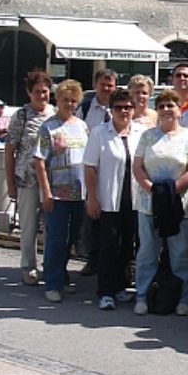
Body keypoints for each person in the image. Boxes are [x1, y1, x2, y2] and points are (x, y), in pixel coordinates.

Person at [132, 90, 188, 316]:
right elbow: (137, 166)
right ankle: (142, 295)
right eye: (161, 106)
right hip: (149, 203)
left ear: (180, 109)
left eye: (170, 105)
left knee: (180, 252)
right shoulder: (148, 136)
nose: (166, 110)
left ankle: (183, 298)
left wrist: (171, 190)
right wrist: (153, 189)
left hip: (179, 204)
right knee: (147, 252)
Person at [84, 88, 144, 311]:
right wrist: (92, 199)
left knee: (127, 246)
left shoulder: (141, 132)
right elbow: (90, 168)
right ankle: (105, 291)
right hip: (109, 200)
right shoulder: (99, 133)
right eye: (119, 107)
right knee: (108, 246)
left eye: (128, 107)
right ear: (111, 110)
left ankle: (121, 286)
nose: (124, 111)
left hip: (134, 200)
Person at [34, 79, 89, 303]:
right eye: (65, 100)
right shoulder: (49, 127)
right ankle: (52, 283)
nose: (69, 104)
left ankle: (62, 276)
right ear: (58, 100)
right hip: (57, 193)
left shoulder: (82, 125)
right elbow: (39, 161)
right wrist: (46, 193)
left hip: (80, 193)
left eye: (73, 101)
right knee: (56, 238)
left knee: (71, 238)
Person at [5, 70, 55, 286]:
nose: (42, 96)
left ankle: (51, 267)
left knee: (53, 227)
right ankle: (28, 266)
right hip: (27, 179)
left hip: (53, 181)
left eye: (45, 92)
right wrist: (11, 184)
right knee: (29, 226)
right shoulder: (21, 116)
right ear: (28, 92)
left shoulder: (55, 113)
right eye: (37, 92)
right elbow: (10, 151)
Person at [76, 68, 117, 277]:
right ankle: (92, 259)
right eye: (103, 84)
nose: (107, 89)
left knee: (112, 219)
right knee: (92, 215)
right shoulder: (84, 108)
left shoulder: (120, 108)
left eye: (110, 85)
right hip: (91, 168)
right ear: (95, 85)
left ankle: (113, 263)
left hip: (115, 170)